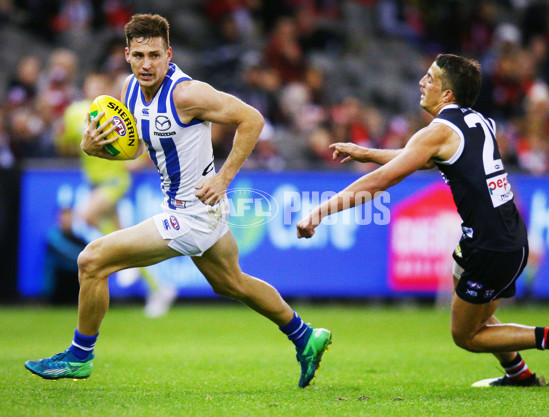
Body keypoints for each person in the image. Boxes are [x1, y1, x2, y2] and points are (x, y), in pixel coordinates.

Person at [25, 13, 331, 388]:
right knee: (231, 282)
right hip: (189, 208)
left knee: (91, 260)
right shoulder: (130, 90)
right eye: (139, 55)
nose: (147, 64)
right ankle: (305, 336)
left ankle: (79, 356)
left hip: (194, 213)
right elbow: (136, 148)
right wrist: (94, 150)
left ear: (169, 54)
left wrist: (224, 178)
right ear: (127, 55)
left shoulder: (187, 94)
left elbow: (251, 119)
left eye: (155, 55)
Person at [297, 53, 549, 389]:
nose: (422, 82)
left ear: (448, 94)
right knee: (471, 304)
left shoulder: (438, 131)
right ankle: (520, 375)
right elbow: (424, 159)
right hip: (501, 235)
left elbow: (380, 181)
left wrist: (321, 210)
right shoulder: (479, 121)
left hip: (491, 245)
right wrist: (368, 153)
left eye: (430, 78)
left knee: (466, 335)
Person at [56, 71, 177, 317]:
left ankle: (122, 260)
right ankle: (158, 288)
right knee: (123, 237)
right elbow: (65, 144)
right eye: (91, 84)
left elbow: (140, 144)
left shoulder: (117, 114)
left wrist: (137, 161)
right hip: (94, 182)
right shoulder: (74, 112)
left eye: (100, 85)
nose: (95, 89)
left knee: (86, 216)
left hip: (115, 181)